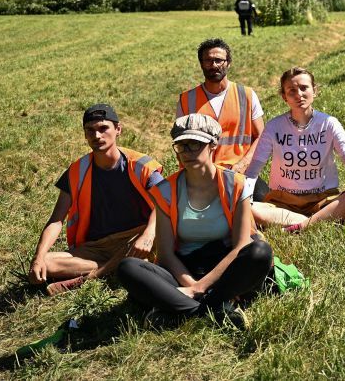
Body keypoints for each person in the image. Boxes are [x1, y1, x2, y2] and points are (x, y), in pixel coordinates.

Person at [117, 114, 272, 327]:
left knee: (260, 252)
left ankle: (176, 310)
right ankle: (214, 309)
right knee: (128, 268)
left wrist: (199, 288)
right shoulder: (165, 191)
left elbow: (241, 245)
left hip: (225, 267)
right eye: (181, 146)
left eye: (195, 145)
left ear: (213, 145)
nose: (187, 152)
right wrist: (191, 284)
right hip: (184, 269)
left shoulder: (236, 184)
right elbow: (166, 253)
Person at [28, 104, 163, 295]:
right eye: (90, 130)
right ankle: (111, 267)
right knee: (47, 263)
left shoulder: (141, 165)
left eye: (103, 128)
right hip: (97, 248)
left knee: (159, 234)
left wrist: (148, 235)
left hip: (137, 238)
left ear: (118, 130)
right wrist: (38, 257)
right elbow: (56, 220)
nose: (97, 135)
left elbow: (166, 202)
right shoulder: (77, 170)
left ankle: (88, 279)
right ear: (84, 135)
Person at [245, 67, 345, 233]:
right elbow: (253, 170)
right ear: (284, 96)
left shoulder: (329, 123)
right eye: (291, 91)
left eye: (304, 88)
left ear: (314, 90)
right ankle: (314, 223)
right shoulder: (274, 126)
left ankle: (300, 226)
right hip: (283, 203)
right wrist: (244, 199)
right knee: (247, 208)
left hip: (322, 200)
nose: (299, 95)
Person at [176, 39, 268, 200]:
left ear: (228, 63)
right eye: (208, 60)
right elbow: (180, 144)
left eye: (219, 60)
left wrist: (242, 165)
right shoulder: (186, 99)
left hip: (240, 172)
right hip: (201, 175)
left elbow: (262, 136)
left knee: (264, 202)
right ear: (201, 64)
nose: (214, 65)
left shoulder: (246, 95)